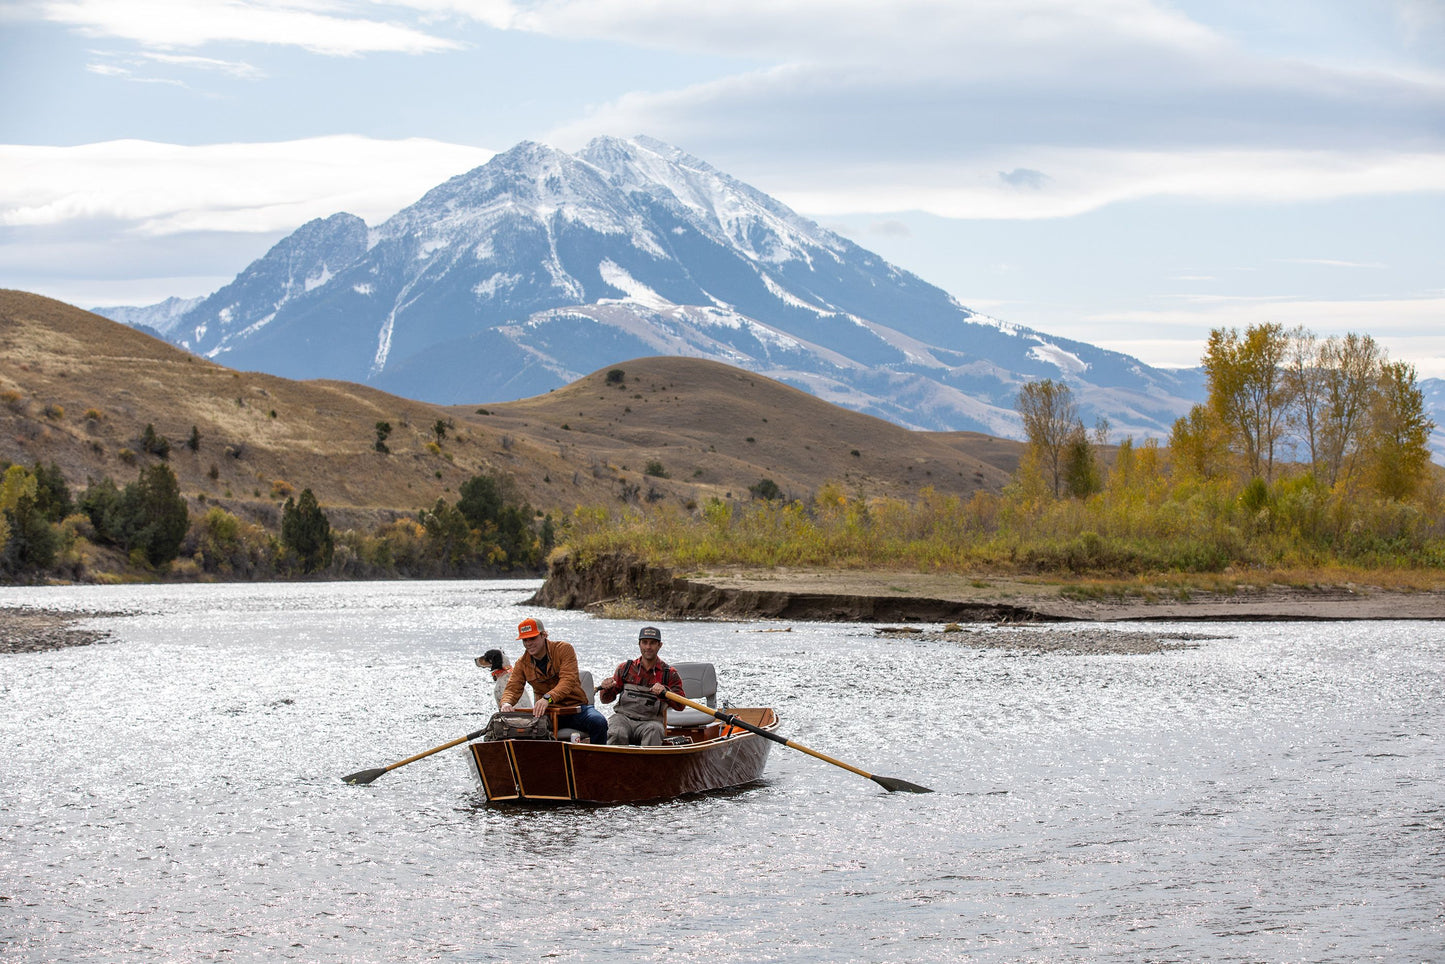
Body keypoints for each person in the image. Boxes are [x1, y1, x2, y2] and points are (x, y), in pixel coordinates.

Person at [500, 617, 608, 745]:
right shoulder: (521, 663)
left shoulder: (564, 649)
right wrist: (506, 703)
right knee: (524, 732)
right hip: (546, 714)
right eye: (525, 640)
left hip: (576, 709)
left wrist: (547, 698)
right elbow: (513, 688)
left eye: (532, 638)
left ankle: (596, 760)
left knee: (599, 722)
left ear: (544, 635)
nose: (528, 643)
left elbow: (568, 681)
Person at [597, 626, 685, 746]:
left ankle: (648, 764)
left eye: (653, 643)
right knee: (617, 732)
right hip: (623, 719)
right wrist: (607, 688)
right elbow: (605, 700)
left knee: (654, 731)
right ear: (639, 644)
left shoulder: (669, 673)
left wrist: (665, 692)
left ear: (660, 645)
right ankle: (615, 763)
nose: (648, 647)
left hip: (651, 722)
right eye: (644, 642)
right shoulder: (624, 668)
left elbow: (681, 706)